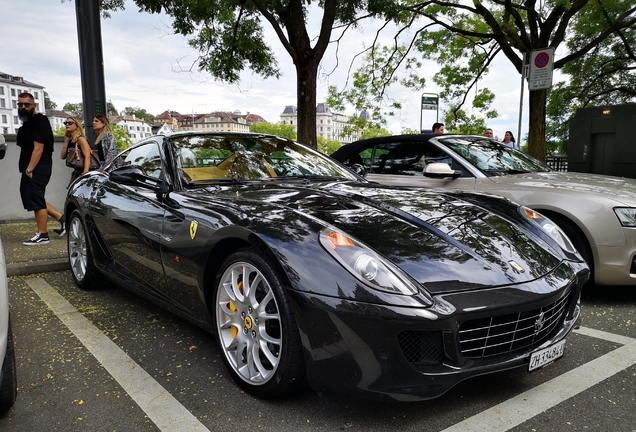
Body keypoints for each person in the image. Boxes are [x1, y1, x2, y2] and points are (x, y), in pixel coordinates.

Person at [16, 92, 65, 245]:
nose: (23, 107)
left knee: (36, 199)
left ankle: (43, 235)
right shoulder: (29, 123)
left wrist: (30, 169)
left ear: (34, 106)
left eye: (27, 104)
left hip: (36, 168)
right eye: (20, 104)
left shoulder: (38, 122)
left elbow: (38, 149)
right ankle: (63, 220)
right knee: (34, 197)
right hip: (32, 168)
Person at [61, 117, 93, 186]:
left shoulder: (81, 139)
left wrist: (85, 175)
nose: (67, 124)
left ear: (77, 126)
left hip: (84, 172)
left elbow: (87, 157)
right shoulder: (70, 140)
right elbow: (62, 156)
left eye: (70, 123)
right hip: (77, 171)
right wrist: (66, 142)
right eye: (65, 123)